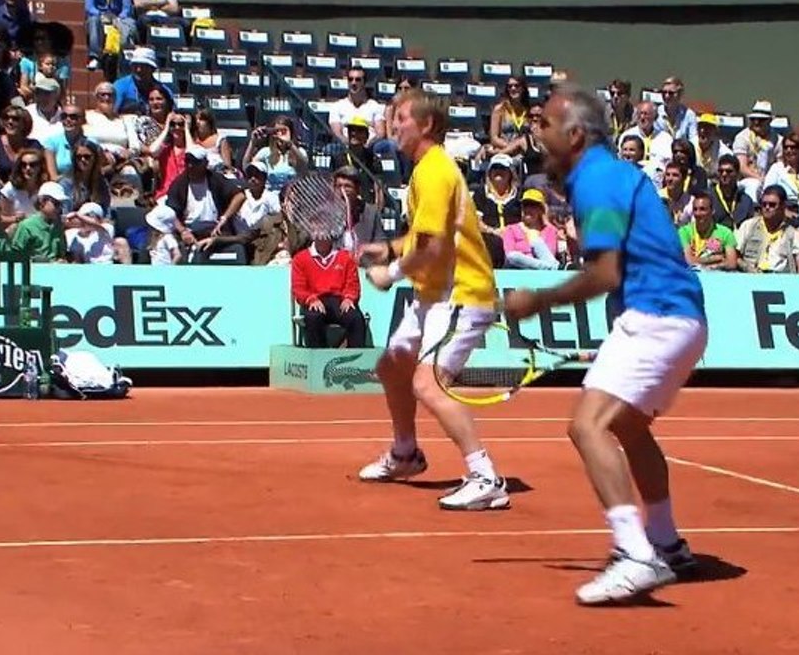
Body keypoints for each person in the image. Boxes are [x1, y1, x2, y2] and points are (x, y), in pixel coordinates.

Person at [503, 84, 707, 605]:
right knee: (627, 426)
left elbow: (605, 273)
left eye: (545, 125)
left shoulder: (596, 179)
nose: (537, 134)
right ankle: (665, 542)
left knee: (586, 426)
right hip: (682, 317)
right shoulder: (609, 176)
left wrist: (538, 301)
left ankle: (635, 554)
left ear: (574, 135)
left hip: (658, 314)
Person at [357, 89, 509, 511]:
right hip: (433, 295)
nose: (394, 125)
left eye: (402, 117)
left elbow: (434, 246)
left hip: (462, 292)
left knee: (428, 382)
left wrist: (391, 273)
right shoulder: (428, 170)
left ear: (426, 125)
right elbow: (422, 236)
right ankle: (405, 453)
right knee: (392, 366)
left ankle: (486, 476)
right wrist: (388, 248)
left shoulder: (434, 171)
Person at [291, 234, 367, 347]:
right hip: (314, 300)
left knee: (355, 317)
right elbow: (298, 288)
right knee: (313, 318)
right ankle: (318, 358)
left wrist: (349, 298)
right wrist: (311, 299)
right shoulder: (300, 259)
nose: (322, 235)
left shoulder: (346, 257)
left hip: (339, 300)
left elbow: (353, 284)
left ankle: (356, 360)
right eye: (318, 231)